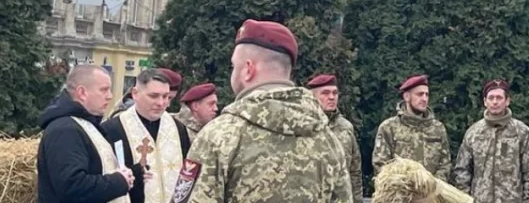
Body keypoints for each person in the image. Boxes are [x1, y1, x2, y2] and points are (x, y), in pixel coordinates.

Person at [172, 19, 353, 203]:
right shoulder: (328, 139)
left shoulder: (220, 136)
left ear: (248, 69)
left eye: (234, 66)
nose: (232, 73)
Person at [37, 64, 136, 203]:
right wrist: (119, 182)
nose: (110, 96)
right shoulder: (65, 130)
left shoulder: (84, 124)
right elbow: (72, 186)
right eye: (104, 90)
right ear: (82, 93)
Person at [100, 68, 192, 203]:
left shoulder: (178, 128)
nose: (161, 103)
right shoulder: (112, 129)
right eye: (154, 96)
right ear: (135, 93)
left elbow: (188, 174)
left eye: (166, 96)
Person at [453, 79, 529, 203]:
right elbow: (462, 170)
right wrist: (464, 199)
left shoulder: (522, 132)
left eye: (499, 98)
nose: (495, 102)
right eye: (491, 98)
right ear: (485, 102)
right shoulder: (473, 133)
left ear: (507, 101)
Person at [373, 74, 452, 181]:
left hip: (430, 194)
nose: (424, 99)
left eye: (427, 95)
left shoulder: (437, 129)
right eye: (419, 94)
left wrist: (431, 184)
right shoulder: (389, 127)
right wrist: (405, 185)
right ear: (406, 97)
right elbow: (381, 165)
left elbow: (445, 165)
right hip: (400, 194)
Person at [308, 74, 363, 203]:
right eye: (325, 93)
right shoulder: (304, 126)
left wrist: (357, 200)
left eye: (335, 93)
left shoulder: (346, 127)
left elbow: (354, 170)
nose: (331, 97)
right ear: (312, 97)